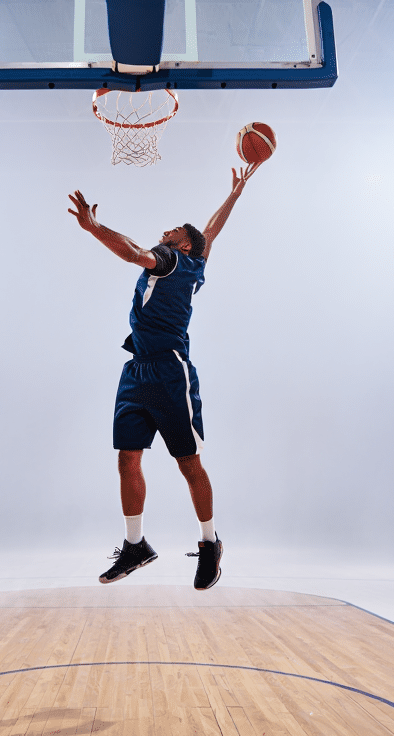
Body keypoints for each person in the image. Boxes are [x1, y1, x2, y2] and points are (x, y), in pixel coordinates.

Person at [67, 164, 259, 590]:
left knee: (188, 462)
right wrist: (236, 194)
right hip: (137, 369)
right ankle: (136, 546)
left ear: (182, 243)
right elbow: (212, 230)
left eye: (171, 230)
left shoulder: (170, 261)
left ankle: (211, 544)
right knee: (127, 457)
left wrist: (93, 227)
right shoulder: (195, 262)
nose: (164, 232)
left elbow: (134, 252)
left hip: (170, 371)